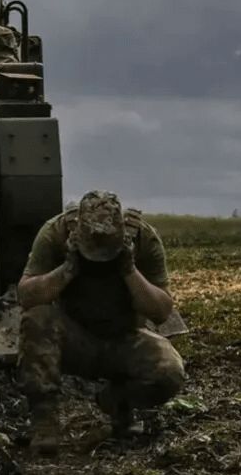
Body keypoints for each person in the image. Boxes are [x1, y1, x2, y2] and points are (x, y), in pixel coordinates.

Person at [15, 189, 186, 454]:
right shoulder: (55, 233)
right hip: (74, 339)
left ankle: (117, 402)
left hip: (124, 337)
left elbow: (161, 311)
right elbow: (26, 296)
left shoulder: (143, 238)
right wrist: (68, 269)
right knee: (37, 319)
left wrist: (129, 269)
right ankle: (45, 423)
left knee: (170, 371)